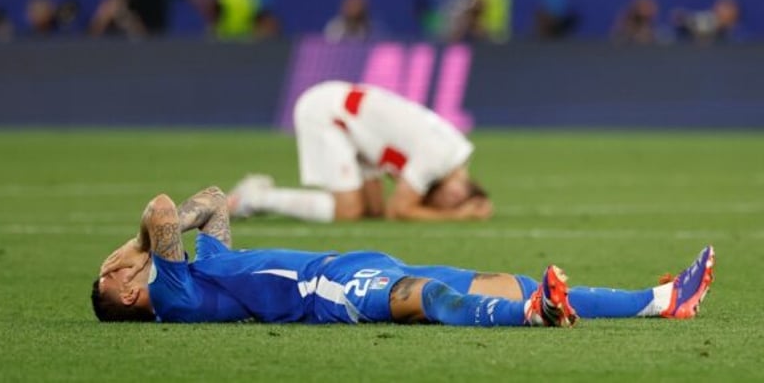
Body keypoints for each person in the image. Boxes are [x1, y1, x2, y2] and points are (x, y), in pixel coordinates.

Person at [92, 186, 716, 327]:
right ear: (124, 295)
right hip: (322, 293)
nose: (118, 267)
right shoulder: (173, 294)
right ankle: (531, 317)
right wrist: (138, 246)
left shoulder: (199, 270)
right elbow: (163, 208)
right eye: (111, 276)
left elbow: (215, 203)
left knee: (506, 279)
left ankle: (661, 301)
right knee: (413, 295)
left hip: (346, 261)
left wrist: (144, 247)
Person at [228, 81, 489, 222]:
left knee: (371, 210)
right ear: (458, 189)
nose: (445, 202)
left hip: (358, 130)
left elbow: (386, 209)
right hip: (329, 113)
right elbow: (398, 210)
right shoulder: (439, 156)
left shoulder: (454, 147)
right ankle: (254, 197)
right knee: (349, 212)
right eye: (451, 200)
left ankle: (257, 196)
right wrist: (456, 215)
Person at [672, 0, 743, 44]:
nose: (721, 12)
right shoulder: (699, 25)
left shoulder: (738, 39)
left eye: (728, 7)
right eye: (721, 8)